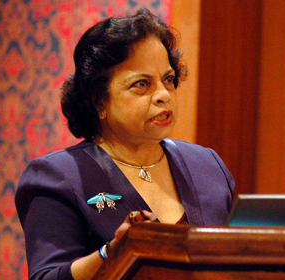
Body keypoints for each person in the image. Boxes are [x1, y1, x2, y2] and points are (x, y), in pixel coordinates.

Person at [15, 8, 235, 280]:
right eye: (142, 84)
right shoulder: (57, 177)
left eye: (168, 79)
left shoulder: (207, 166)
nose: (163, 95)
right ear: (99, 101)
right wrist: (112, 253)